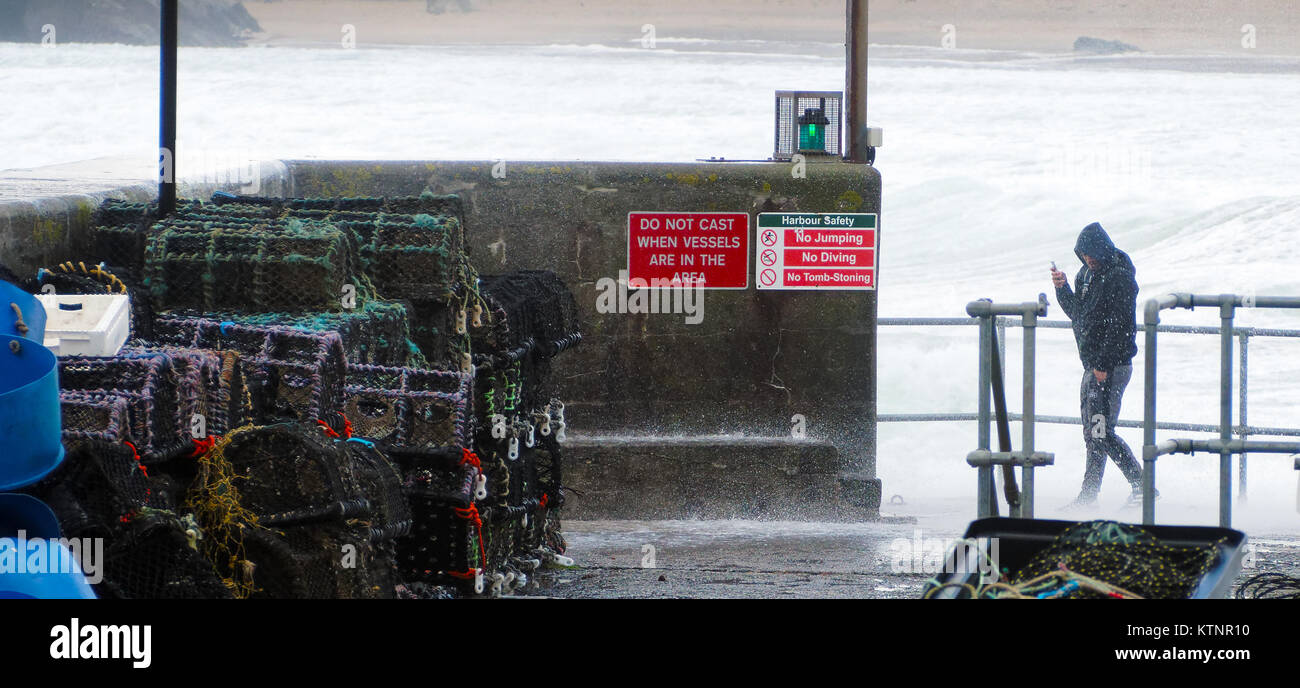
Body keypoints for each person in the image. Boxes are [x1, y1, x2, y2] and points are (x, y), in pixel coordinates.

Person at [1051, 222, 1154, 507]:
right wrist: (1062, 290)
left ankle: (1142, 487)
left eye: (1092, 253)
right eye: (1084, 255)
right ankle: (1089, 495)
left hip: (1111, 367)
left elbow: (1120, 327)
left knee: (1102, 431)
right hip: (1092, 366)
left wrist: (1103, 366)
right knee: (1093, 433)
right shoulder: (1085, 275)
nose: (1088, 259)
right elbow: (1078, 315)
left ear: (1104, 248)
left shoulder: (1120, 278)